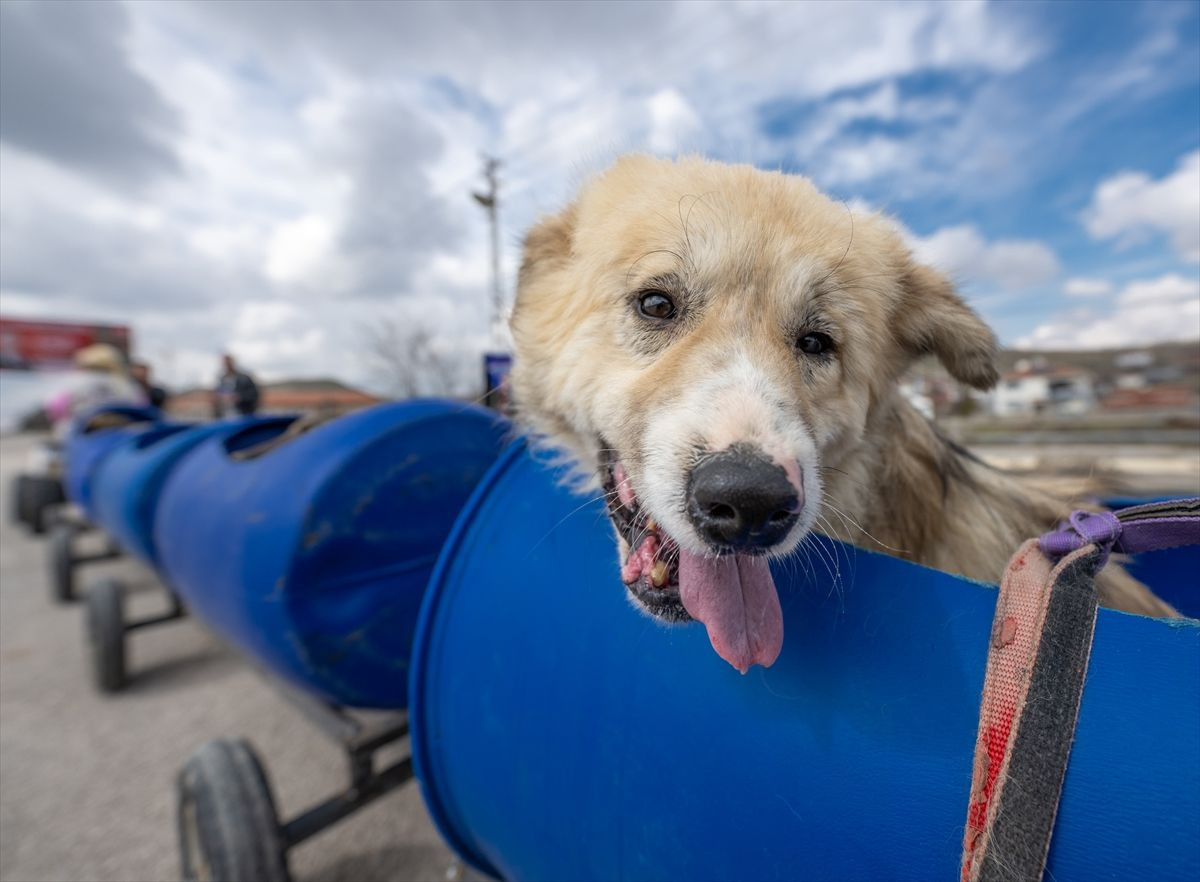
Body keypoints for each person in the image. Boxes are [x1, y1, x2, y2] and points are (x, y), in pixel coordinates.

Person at [45, 343, 143, 437]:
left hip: (81, 434)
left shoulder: (72, 381)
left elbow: (56, 408)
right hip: (122, 435)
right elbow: (141, 407)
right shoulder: (125, 383)